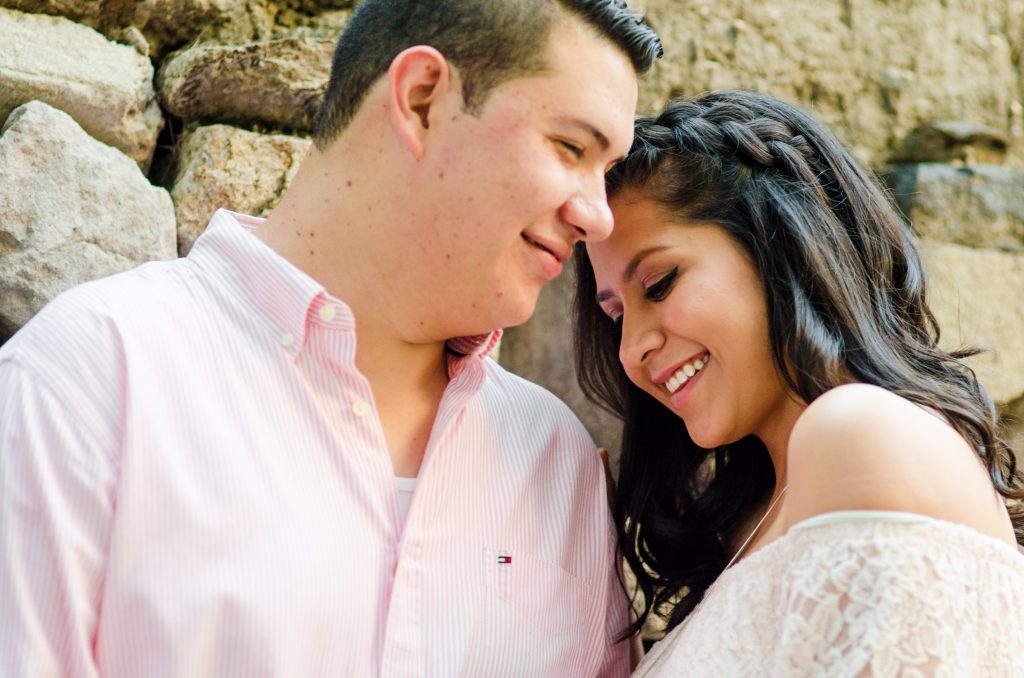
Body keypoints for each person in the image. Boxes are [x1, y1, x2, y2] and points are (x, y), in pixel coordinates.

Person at [0, 1, 662, 675]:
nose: (597, 218)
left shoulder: (558, 463)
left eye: (605, 174)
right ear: (422, 99)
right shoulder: (92, 378)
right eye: (572, 148)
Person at [574, 90, 1024, 675]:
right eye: (616, 317)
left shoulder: (859, 433)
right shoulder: (752, 519)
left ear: (779, 244)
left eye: (659, 284)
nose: (633, 350)